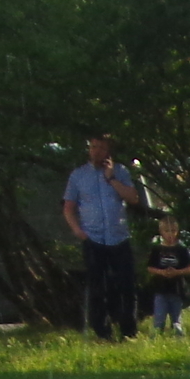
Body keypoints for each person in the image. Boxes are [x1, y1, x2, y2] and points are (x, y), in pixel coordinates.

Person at [61, 133, 143, 339]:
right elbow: (68, 207)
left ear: (108, 151)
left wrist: (111, 177)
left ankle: (128, 330)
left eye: (101, 148)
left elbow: (133, 198)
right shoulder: (78, 176)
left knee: (126, 286)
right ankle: (101, 330)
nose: (96, 151)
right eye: (93, 147)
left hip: (118, 237)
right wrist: (77, 230)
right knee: (98, 287)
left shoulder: (120, 171)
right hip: (93, 238)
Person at [145, 215, 190, 334]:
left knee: (176, 318)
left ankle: (177, 335)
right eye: (167, 231)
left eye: (173, 231)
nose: (170, 234)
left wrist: (177, 272)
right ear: (161, 232)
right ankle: (157, 336)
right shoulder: (157, 250)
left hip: (176, 289)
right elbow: (150, 267)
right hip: (160, 288)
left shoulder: (181, 250)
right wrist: (162, 272)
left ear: (177, 231)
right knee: (159, 317)